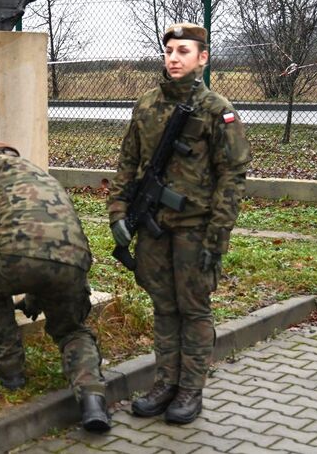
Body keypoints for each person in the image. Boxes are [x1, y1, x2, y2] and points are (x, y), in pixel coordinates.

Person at [107, 22, 251, 424]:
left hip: (195, 228)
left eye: (183, 51)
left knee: (194, 309)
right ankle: (164, 382)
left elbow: (232, 177)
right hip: (154, 227)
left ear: (202, 58)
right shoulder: (147, 104)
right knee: (164, 306)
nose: (174, 58)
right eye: (169, 50)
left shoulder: (217, 110)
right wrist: (119, 212)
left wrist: (216, 237)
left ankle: (191, 389)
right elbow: (127, 164)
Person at [0, 142, 111, 433]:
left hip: (11, 256)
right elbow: (46, 244)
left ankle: (12, 375)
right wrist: (35, 297)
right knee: (71, 330)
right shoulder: (44, 177)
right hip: (73, 262)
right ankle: (93, 400)